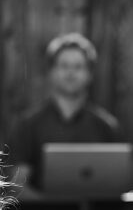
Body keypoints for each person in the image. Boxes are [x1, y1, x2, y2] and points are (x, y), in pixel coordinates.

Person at [7, 32, 124, 196]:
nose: (71, 73)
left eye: (78, 67)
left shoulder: (106, 127)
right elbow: (17, 186)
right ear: (52, 71)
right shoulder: (28, 125)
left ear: (90, 74)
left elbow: (118, 185)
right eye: (64, 66)